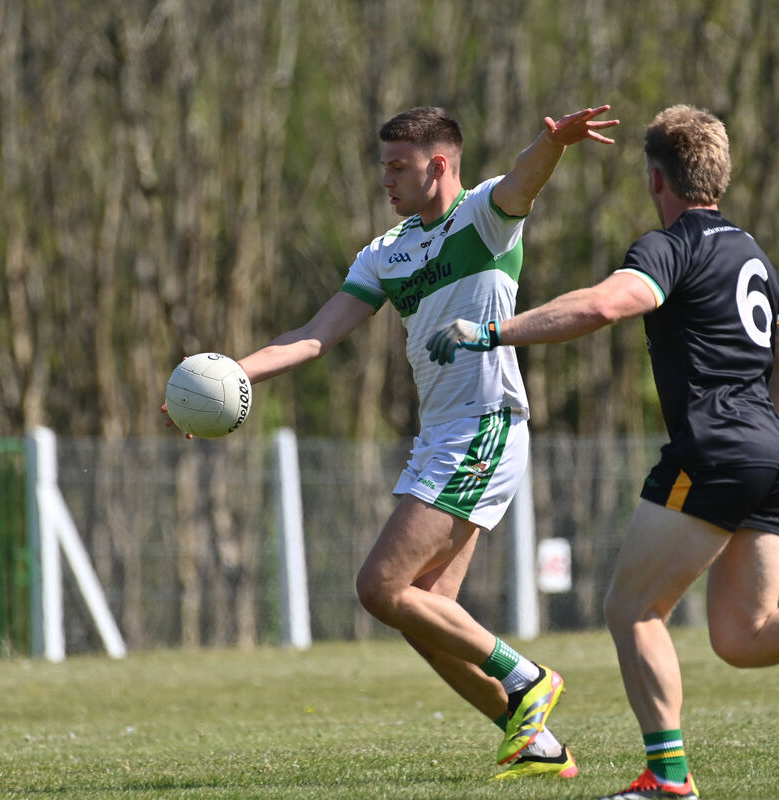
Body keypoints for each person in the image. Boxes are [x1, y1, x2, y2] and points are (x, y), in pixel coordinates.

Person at [426, 104, 779, 799]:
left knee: (632, 610)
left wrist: (491, 333)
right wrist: (755, 430)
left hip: (714, 448)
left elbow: (604, 306)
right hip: (773, 452)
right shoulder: (755, 255)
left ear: (656, 179)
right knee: (744, 634)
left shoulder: (669, 245)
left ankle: (668, 778)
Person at [168, 104, 619, 779]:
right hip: (443, 434)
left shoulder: (485, 219)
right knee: (424, 612)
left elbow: (525, 180)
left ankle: (526, 677)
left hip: (484, 424)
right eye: (384, 166)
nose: (386, 179)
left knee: (379, 587)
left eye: (398, 166)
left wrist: (551, 143)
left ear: (440, 165)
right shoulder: (386, 252)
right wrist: (235, 373)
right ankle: (531, 740)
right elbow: (316, 335)